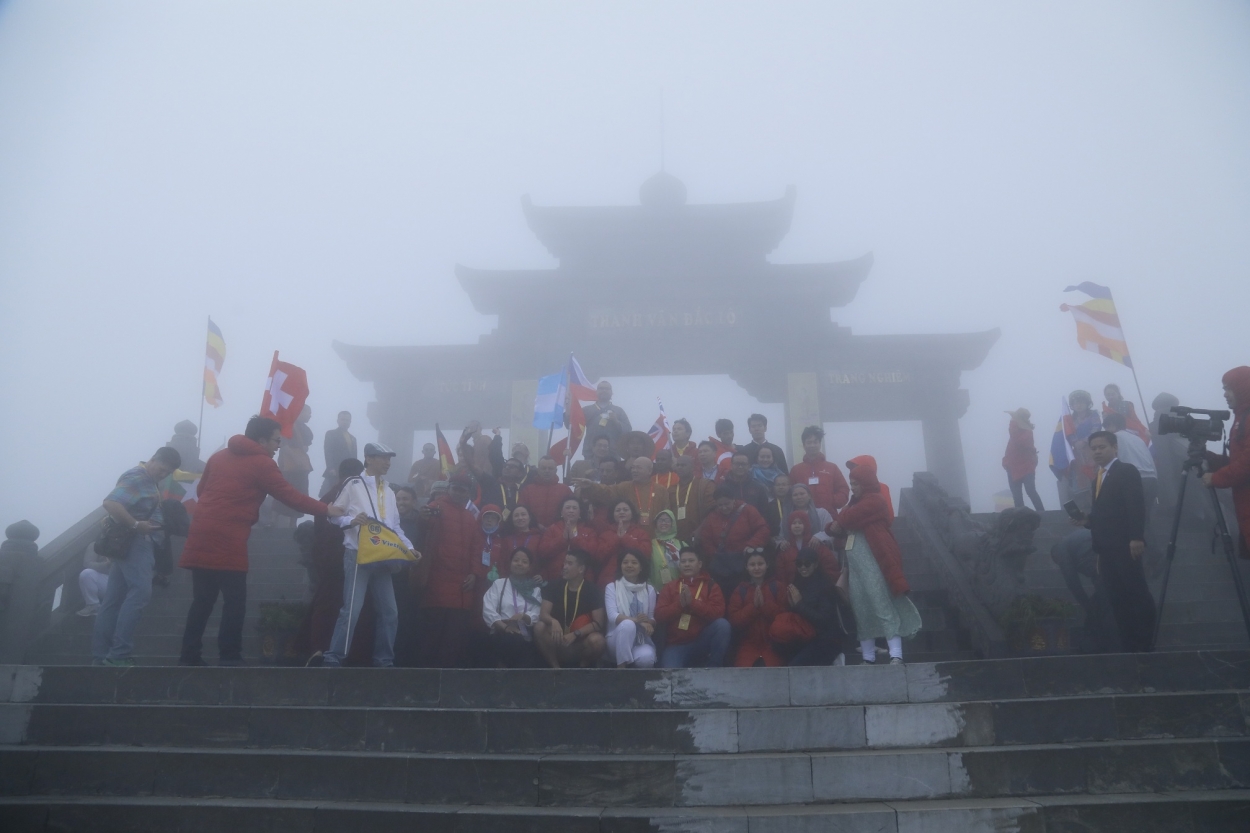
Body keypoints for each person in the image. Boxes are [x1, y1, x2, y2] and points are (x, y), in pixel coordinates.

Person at [178, 418, 342, 667]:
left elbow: (202, 491)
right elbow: (289, 496)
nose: (279, 445)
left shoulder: (219, 456)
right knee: (235, 599)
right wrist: (326, 509)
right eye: (277, 440)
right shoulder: (262, 463)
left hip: (201, 531)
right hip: (229, 536)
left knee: (202, 600)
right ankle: (229, 655)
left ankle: (189, 656)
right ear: (262, 440)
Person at [322, 442, 418, 668]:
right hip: (357, 554)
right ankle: (334, 656)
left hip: (383, 555)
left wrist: (409, 547)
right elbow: (332, 515)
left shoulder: (390, 491)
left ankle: (384, 659)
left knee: (390, 612)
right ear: (368, 459)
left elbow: (395, 527)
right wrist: (350, 520)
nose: (388, 462)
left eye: (389, 458)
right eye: (383, 457)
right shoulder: (354, 484)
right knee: (352, 610)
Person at [90, 447, 182, 666]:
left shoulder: (147, 479)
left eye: (168, 472)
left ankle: (101, 656)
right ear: (152, 459)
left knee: (112, 601)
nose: (163, 474)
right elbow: (110, 503)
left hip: (131, 545)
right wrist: (136, 524)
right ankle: (119, 653)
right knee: (140, 592)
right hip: (135, 543)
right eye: (162, 469)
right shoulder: (138, 477)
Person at [828, 455, 920, 665]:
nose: (853, 488)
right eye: (851, 483)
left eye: (856, 483)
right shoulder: (855, 503)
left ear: (866, 482)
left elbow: (848, 518)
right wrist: (835, 525)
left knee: (881, 603)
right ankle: (868, 657)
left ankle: (896, 653)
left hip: (875, 562)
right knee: (861, 607)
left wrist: (839, 523)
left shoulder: (875, 500)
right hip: (856, 565)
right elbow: (840, 523)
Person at [1077, 430, 1154, 652]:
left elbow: (1136, 506)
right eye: (1094, 448)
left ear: (1115, 447)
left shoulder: (1126, 471)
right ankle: (1128, 643)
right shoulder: (1098, 478)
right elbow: (1104, 514)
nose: (1098, 451)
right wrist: (1087, 520)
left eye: (1102, 447)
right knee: (1116, 597)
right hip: (1105, 549)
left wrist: (1136, 537)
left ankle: (1145, 642)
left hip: (1126, 545)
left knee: (1136, 592)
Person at [414, 471, 481, 667]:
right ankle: (425, 679)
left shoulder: (471, 517)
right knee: (433, 633)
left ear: (468, 493)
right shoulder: (436, 507)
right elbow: (423, 530)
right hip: (438, 583)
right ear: (449, 488)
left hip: (462, 587)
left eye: (463, 491)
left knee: (455, 637)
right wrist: (422, 518)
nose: (459, 494)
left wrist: (475, 573)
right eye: (456, 489)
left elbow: (477, 548)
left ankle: (448, 678)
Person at [1204, 366, 1250, 561]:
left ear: (1242, 388)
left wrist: (1216, 477)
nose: (1225, 394)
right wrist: (1212, 459)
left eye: (1228, 389)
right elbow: (1239, 459)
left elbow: (1247, 463)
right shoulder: (1241, 417)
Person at [656, 548, 730, 668]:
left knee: (722, 625)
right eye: (683, 561)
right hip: (676, 645)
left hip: (702, 642)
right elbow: (659, 615)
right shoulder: (670, 587)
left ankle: (714, 667)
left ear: (699, 564)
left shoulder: (711, 586)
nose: (687, 564)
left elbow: (718, 613)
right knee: (670, 675)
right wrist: (680, 605)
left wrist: (693, 604)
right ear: (679, 565)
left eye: (691, 561)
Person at [693, 486, 770, 597]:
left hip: (744, 563)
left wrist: (751, 545)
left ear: (734, 500)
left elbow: (763, 529)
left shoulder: (748, 510)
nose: (724, 508)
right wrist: (714, 554)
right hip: (722, 566)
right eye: (720, 505)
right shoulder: (712, 516)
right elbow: (706, 538)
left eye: (727, 504)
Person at [535, 550, 608, 668]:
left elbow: (598, 623)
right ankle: (555, 668)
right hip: (557, 640)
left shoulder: (593, 590)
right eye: (564, 563)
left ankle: (582, 667)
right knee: (540, 627)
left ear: (581, 569)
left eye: (569, 564)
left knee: (598, 641)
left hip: (580, 642)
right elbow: (543, 614)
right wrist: (554, 621)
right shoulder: (553, 586)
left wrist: (576, 634)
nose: (564, 567)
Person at [785, 547, 852, 666]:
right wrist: (793, 606)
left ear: (815, 564)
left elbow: (824, 620)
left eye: (807, 563)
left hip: (827, 639)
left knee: (795, 666)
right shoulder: (797, 583)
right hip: (806, 636)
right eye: (799, 564)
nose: (803, 567)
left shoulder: (825, 586)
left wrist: (799, 605)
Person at [481, 548, 543, 668]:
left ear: (530, 567)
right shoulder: (499, 584)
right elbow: (488, 609)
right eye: (516, 560)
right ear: (510, 563)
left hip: (526, 631)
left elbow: (537, 611)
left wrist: (524, 616)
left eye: (524, 562)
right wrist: (505, 628)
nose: (520, 564)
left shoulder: (535, 589)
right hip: (502, 630)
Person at [726, 551, 788, 667]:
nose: (756, 568)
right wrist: (753, 608)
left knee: (774, 676)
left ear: (767, 565)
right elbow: (734, 620)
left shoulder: (777, 586)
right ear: (746, 567)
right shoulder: (741, 589)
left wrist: (765, 606)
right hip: (747, 644)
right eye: (752, 564)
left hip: (773, 643)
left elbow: (785, 617)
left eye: (760, 564)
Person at [576, 456, 670, 529]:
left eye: (638, 468)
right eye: (633, 468)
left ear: (650, 470)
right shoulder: (625, 486)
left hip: (655, 536)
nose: (634, 471)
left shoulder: (661, 490)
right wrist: (591, 485)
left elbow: (667, 514)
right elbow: (607, 491)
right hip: (630, 534)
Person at [605, 550, 658, 668]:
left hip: (640, 639)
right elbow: (613, 616)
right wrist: (638, 621)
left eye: (634, 563)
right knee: (628, 624)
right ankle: (621, 669)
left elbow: (651, 618)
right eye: (625, 562)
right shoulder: (612, 587)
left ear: (641, 568)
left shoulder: (649, 590)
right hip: (616, 639)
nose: (629, 565)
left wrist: (648, 622)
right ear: (621, 566)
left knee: (647, 659)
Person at [1104, 412, 1158, 517]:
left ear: (1113, 425)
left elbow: (1111, 461)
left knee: (1132, 517)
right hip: (1152, 480)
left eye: (1107, 426)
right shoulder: (1138, 439)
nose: (1106, 430)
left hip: (1133, 480)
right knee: (1146, 517)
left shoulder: (1113, 438)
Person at [538, 497, 603, 582]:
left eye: (574, 508)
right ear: (561, 512)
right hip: (555, 576)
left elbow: (593, 553)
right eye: (568, 508)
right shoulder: (552, 529)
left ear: (580, 513)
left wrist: (575, 539)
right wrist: (562, 539)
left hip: (583, 578)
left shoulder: (589, 531)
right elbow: (542, 552)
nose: (571, 510)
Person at [789, 426, 850, 517]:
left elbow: (843, 489)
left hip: (829, 516)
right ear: (804, 445)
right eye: (809, 442)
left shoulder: (832, 468)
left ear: (820, 444)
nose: (812, 445)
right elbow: (790, 493)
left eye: (815, 442)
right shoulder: (796, 470)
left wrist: (832, 501)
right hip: (803, 518)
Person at [1062, 390, 1103, 512]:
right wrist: (1075, 442)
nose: (1078, 405)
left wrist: (1084, 441)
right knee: (1079, 478)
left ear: (1087, 403)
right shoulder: (1070, 419)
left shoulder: (1094, 415)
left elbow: (1096, 428)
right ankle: (1084, 510)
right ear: (1072, 406)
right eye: (1075, 403)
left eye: (1081, 402)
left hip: (1092, 449)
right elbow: (1068, 433)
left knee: (1094, 476)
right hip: (1078, 453)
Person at [597, 500, 652, 589]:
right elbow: (599, 556)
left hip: (635, 581)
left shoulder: (641, 533)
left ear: (632, 513)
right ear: (613, 514)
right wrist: (617, 539)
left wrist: (625, 538)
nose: (621, 512)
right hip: (610, 581)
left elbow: (646, 553)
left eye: (625, 510)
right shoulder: (605, 534)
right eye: (618, 510)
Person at [776, 511, 838, 584]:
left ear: (806, 525)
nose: (797, 526)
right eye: (794, 523)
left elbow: (831, 569)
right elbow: (780, 576)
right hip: (793, 591)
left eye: (800, 523)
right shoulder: (786, 548)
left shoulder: (815, 545)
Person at [1002, 408, 1045, 512]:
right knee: (1017, 494)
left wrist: (1013, 423)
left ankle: (1043, 513)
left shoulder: (1027, 432)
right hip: (1012, 465)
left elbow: (1020, 442)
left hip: (1026, 465)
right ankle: (1020, 516)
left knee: (1030, 491)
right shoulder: (1017, 431)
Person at [668, 455, 717, 543]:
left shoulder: (705, 485)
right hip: (676, 538)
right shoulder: (671, 489)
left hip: (700, 536)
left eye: (683, 465)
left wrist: (700, 530)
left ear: (692, 467)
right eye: (678, 465)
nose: (680, 467)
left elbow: (712, 512)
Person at [582, 380, 632, 457]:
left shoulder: (619, 411)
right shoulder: (586, 410)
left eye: (607, 389)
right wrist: (568, 405)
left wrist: (616, 422)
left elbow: (628, 430)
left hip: (613, 452)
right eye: (601, 388)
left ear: (612, 392)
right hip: (591, 452)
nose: (604, 390)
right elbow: (573, 424)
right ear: (596, 392)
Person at [519, 456, 573, 527]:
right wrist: (535, 524)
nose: (547, 471)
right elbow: (521, 511)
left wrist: (557, 526)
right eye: (543, 468)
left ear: (556, 470)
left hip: (558, 532)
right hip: (533, 532)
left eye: (550, 468)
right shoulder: (528, 490)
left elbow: (573, 512)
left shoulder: (565, 490)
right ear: (538, 470)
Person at [321, 411, 358, 497]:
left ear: (350, 422)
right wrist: (331, 468)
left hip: (348, 472)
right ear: (338, 421)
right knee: (328, 494)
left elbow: (354, 456)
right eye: (343, 419)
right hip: (335, 470)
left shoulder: (353, 438)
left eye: (348, 420)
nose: (345, 422)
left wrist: (356, 472)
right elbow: (328, 451)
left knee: (345, 495)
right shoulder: (331, 434)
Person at [649, 509, 686, 588]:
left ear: (673, 524)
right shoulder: (650, 544)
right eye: (660, 520)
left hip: (679, 590)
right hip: (657, 591)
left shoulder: (682, 545)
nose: (663, 523)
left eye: (667, 520)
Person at [76, 545, 111, 617]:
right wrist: (107, 565)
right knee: (86, 574)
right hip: (107, 581)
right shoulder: (95, 545)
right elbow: (88, 563)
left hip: (126, 584)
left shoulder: (128, 544)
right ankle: (93, 606)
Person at [762, 473, 792, 541]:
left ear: (790, 486)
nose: (781, 487)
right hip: (775, 540)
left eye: (784, 484)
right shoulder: (768, 505)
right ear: (773, 487)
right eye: (778, 485)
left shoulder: (795, 503)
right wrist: (770, 537)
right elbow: (765, 525)